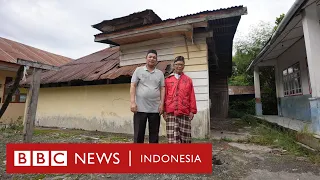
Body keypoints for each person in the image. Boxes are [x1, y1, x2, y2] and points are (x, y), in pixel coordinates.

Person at [130, 49, 165, 143]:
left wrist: (162, 104)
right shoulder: (138, 70)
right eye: (150, 57)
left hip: (155, 109)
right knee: (138, 135)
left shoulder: (160, 73)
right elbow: (133, 85)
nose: (152, 59)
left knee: (154, 136)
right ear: (146, 58)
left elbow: (162, 88)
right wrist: (133, 102)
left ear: (156, 60)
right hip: (140, 109)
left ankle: (152, 156)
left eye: (154, 57)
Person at [163, 56, 197, 143]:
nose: (179, 66)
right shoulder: (167, 80)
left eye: (181, 64)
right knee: (172, 139)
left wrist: (192, 111)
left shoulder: (188, 80)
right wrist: (164, 111)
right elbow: (164, 96)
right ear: (174, 66)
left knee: (185, 138)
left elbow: (191, 96)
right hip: (171, 112)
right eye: (177, 64)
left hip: (184, 112)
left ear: (184, 66)